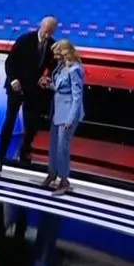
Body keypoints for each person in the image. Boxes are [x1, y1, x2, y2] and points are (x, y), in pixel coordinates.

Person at [0, 15, 59, 172]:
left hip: (34, 90)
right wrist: (13, 79)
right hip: (16, 87)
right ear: (40, 27)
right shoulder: (25, 39)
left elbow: (52, 65)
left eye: (51, 32)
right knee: (9, 122)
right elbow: (10, 62)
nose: (47, 35)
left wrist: (46, 76)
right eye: (46, 31)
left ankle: (24, 151)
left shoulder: (52, 45)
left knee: (32, 125)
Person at [44, 40, 85, 196]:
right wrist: (49, 85)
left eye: (57, 54)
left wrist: (70, 119)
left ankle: (64, 180)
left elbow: (77, 97)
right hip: (58, 111)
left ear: (65, 53)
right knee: (54, 145)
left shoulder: (75, 70)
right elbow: (61, 88)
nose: (55, 58)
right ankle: (52, 173)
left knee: (62, 148)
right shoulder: (62, 68)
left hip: (68, 113)